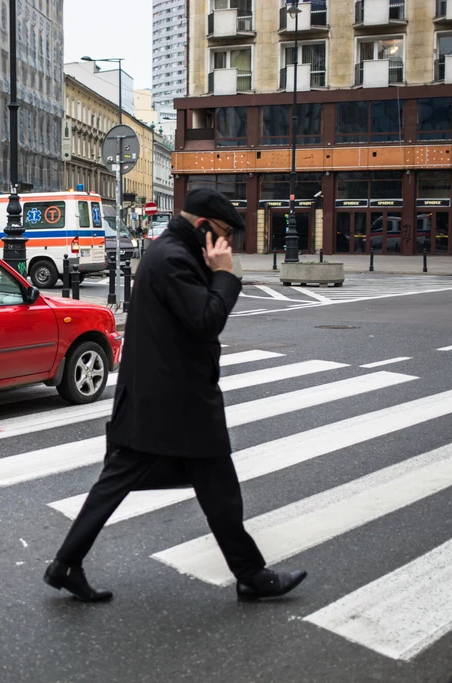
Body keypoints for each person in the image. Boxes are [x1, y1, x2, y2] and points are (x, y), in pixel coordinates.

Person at [44, 188, 307, 603]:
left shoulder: (173, 252)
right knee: (169, 484)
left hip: (165, 396)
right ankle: (250, 575)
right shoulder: (172, 259)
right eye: (223, 236)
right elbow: (205, 320)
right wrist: (225, 275)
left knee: (207, 485)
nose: (227, 247)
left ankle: (66, 565)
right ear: (202, 227)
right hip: (173, 400)